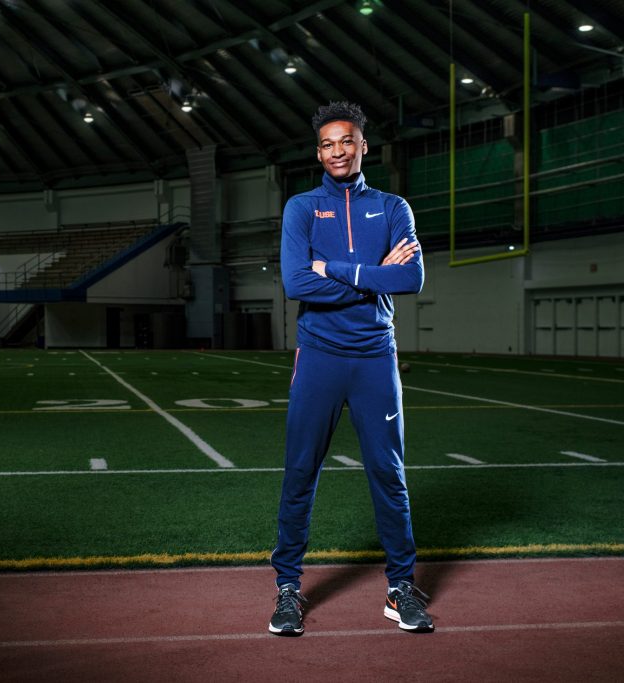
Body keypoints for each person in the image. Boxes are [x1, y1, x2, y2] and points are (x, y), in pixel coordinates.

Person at [269, 102, 431, 636]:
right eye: (327, 143)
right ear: (318, 152)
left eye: (347, 140)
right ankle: (288, 589)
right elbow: (297, 284)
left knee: (390, 476)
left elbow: (409, 281)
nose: (337, 150)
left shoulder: (391, 207)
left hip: (374, 360)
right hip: (318, 358)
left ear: (364, 146)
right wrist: (372, 275)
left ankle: (401, 587)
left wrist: (332, 268)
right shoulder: (301, 208)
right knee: (300, 474)